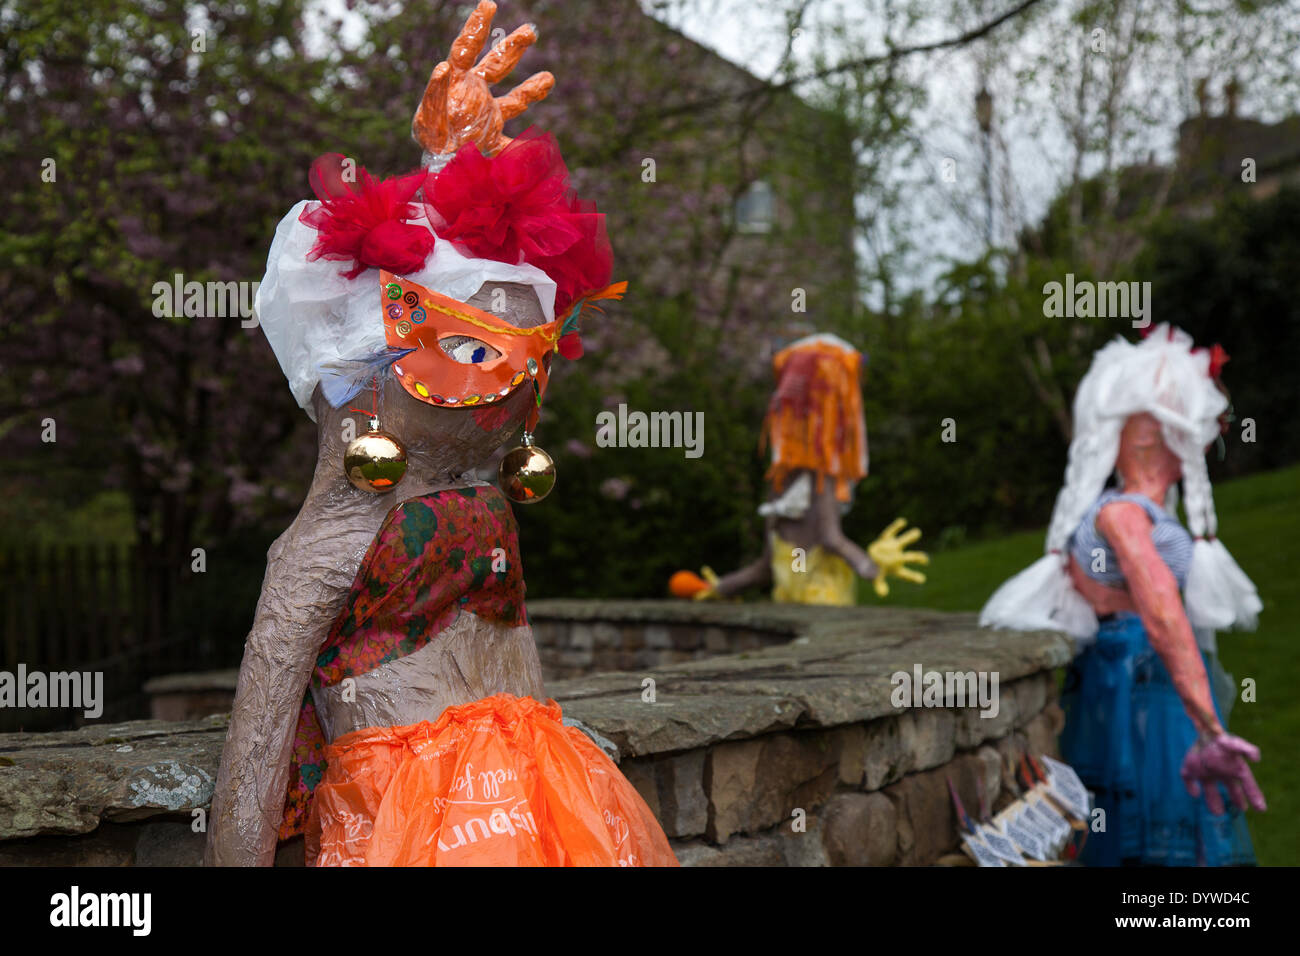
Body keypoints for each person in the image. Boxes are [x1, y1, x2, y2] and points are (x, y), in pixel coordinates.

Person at [206, 1, 676, 867]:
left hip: (543, 794)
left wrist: (457, 167)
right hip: (402, 821)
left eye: (535, 355)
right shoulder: (330, 541)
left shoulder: (488, 506)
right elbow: (259, 739)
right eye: (468, 350)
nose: (517, 382)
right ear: (360, 376)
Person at [981, 325, 1265, 866]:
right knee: (1154, 837)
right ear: (1154, 430)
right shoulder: (1121, 514)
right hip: (1140, 697)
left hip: (1135, 691)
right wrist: (1207, 725)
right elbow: (1161, 610)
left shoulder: (1120, 512)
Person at [670, 332, 927, 604]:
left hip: (789, 601)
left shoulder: (778, 482)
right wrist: (871, 566)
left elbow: (766, 566)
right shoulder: (818, 477)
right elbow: (829, 540)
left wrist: (719, 588)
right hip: (823, 601)